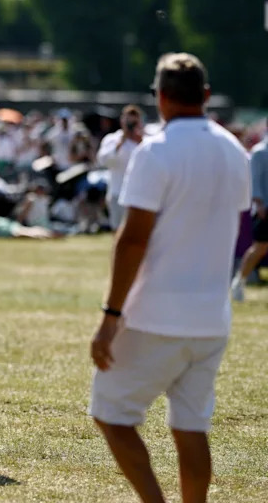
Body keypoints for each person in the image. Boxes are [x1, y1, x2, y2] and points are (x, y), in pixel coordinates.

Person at [89, 53, 250, 503]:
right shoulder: (235, 151)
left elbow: (133, 239)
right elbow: (232, 229)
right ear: (206, 95)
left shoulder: (156, 151)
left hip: (156, 314)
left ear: (160, 98)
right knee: (191, 426)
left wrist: (110, 315)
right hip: (211, 316)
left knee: (111, 413)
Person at [231, 124, 268, 301]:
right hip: (264, 209)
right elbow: (255, 180)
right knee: (259, 248)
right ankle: (240, 280)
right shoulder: (260, 152)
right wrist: (259, 204)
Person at [97, 105, 145, 230]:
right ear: (122, 120)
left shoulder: (146, 140)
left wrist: (140, 141)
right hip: (116, 191)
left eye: (133, 122)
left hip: (139, 192)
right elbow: (103, 160)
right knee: (117, 229)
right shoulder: (112, 139)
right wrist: (121, 143)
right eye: (128, 121)